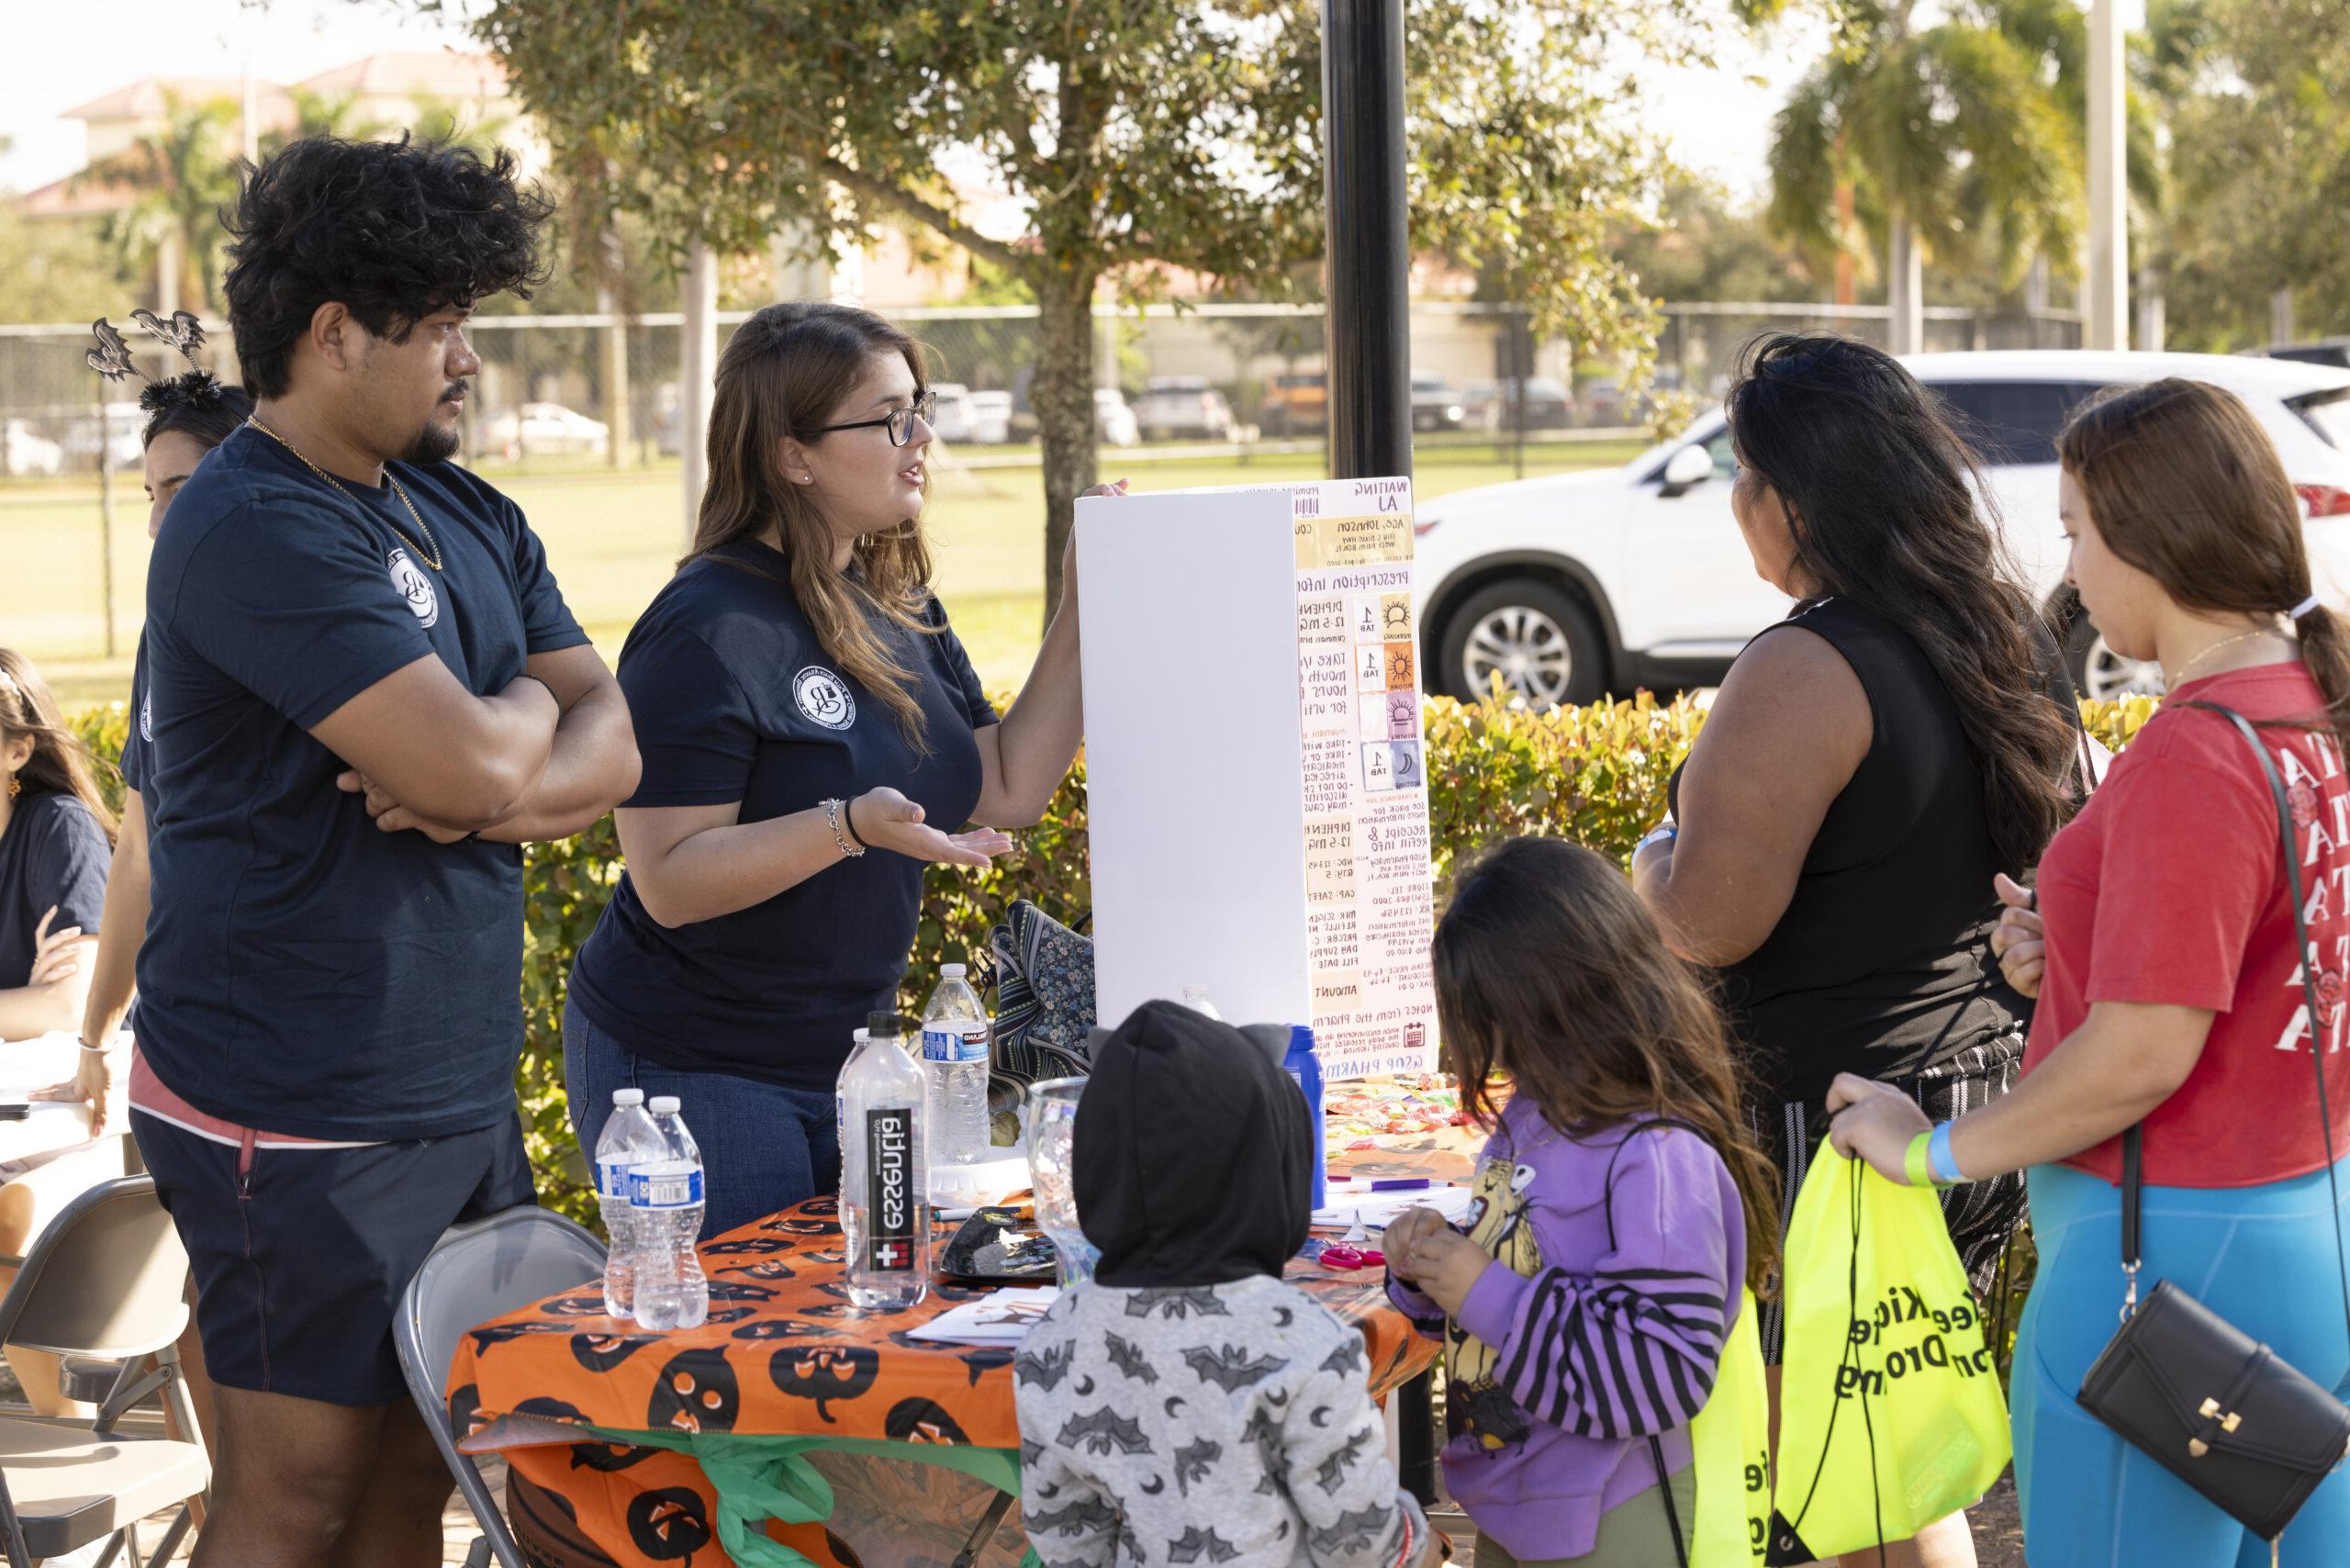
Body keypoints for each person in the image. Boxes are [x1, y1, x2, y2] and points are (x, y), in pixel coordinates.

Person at [129, 135, 639, 1568]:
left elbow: (618, 740)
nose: (466, 359)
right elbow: (496, 751)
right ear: (335, 333)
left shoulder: (464, 506)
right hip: (287, 1102)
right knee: (295, 1499)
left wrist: (509, 761)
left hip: (446, 1087)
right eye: (439, 329)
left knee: (424, 1473)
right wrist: (523, 730)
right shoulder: (250, 521)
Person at [1830, 377, 2350, 1567]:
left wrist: (1928, 1152)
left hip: (2157, 1273)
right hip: (2305, 1237)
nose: (2069, 569)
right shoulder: (2314, 714)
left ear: (2144, 532)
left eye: (2073, 531)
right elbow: (2274, 966)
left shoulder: (2196, 750)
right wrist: (2073, 957)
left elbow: (2141, 1056)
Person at [1631, 334, 2076, 1565]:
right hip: (1967, 1107)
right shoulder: (2001, 635)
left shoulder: (1805, 666)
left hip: (1825, 1130)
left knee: (1830, 1482)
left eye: (1742, 474)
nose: (1733, 503)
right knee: (1890, 1463)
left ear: (1792, 501)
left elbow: (1706, 924)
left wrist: (1645, 863)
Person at [563, 300, 1118, 1237]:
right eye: (889, 418)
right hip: (693, 1064)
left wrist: (1085, 598)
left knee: (853, 1321)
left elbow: (1008, 783)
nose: (922, 438)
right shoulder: (705, 624)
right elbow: (668, 880)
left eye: (920, 407)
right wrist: (846, 825)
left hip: (851, 1057)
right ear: (792, 454)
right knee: (755, 1348)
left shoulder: (897, 600)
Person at [1381, 836, 1777, 1567]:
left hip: (1614, 1516)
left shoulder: (1658, 1160)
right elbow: (1512, 1268)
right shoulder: (1532, 1119)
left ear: (1561, 1003)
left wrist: (1481, 1288)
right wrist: (1429, 1273)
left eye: (1493, 1021)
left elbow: (1661, 1373)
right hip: (1515, 1497)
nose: (1490, 1051)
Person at [35, 364, 257, 1462]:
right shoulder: (166, 633)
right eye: (152, 492)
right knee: (210, 1308)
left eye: (188, 484)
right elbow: (139, 848)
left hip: (302, 1064)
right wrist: (94, 1033)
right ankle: (230, 1507)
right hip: (183, 1060)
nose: (169, 512)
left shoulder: (301, 603)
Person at [1014, 998, 1432, 1568]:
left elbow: (1065, 1535)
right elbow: (1357, 1539)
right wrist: (1417, 1537)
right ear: (1273, 1171)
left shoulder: (1054, 1341)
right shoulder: (1305, 1340)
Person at [0, 648, 118, 1423]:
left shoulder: (60, 830)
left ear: (16, 749)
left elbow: (69, 1005)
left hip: (73, 1125)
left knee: (8, 1216)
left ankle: (58, 1425)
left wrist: (44, 1001)